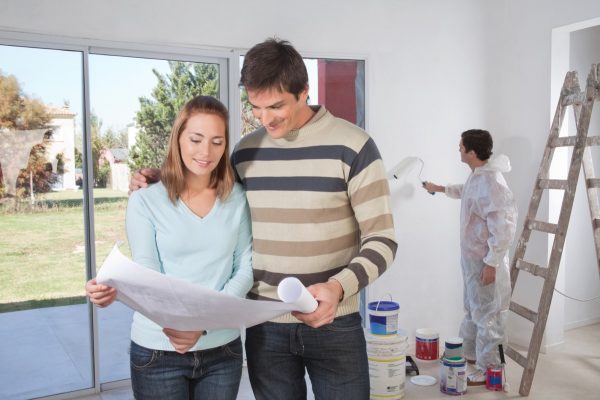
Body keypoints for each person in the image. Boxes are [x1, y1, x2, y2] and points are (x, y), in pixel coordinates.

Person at [130, 38, 397, 400]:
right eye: (256, 107)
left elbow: (382, 240)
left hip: (335, 321)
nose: (265, 118)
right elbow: (209, 185)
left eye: (276, 106)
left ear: (304, 92)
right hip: (265, 327)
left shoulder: (355, 146)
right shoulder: (245, 151)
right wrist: (158, 179)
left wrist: (337, 288)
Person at [86, 96, 253, 399]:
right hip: (157, 351)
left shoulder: (238, 199)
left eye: (217, 142)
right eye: (196, 139)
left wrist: (201, 325)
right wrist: (112, 290)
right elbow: (149, 272)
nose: (206, 152)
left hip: (222, 349)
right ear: (178, 138)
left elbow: (245, 267)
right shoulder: (145, 200)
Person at [423, 129, 517, 386]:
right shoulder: (479, 176)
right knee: (474, 309)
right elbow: (467, 192)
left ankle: (490, 369)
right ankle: (471, 355)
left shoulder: (493, 183)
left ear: (472, 153)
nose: (459, 150)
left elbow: (504, 229)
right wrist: (439, 188)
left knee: (488, 315)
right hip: (473, 258)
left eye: (461, 147)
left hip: (485, 261)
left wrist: (492, 263)